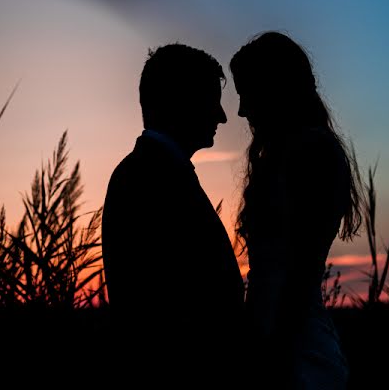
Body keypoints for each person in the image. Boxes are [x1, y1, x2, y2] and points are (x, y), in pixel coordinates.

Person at [102, 43, 244, 381]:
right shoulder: (148, 177)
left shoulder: (156, 171)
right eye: (212, 101)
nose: (222, 116)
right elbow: (160, 302)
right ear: (183, 101)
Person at [229, 32, 362, 389]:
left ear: (275, 88)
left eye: (246, 94)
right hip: (274, 338)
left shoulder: (314, 153)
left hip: (293, 349)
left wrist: (274, 356)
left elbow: (301, 272)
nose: (241, 111)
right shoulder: (286, 154)